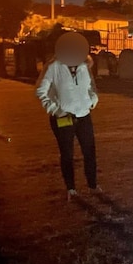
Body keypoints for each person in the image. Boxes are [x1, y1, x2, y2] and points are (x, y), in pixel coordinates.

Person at [36, 47, 100, 200]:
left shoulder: (85, 67)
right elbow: (40, 91)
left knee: (89, 151)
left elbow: (92, 86)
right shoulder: (54, 68)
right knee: (67, 154)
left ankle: (93, 185)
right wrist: (55, 109)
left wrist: (92, 100)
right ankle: (71, 188)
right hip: (63, 117)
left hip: (84, 115)